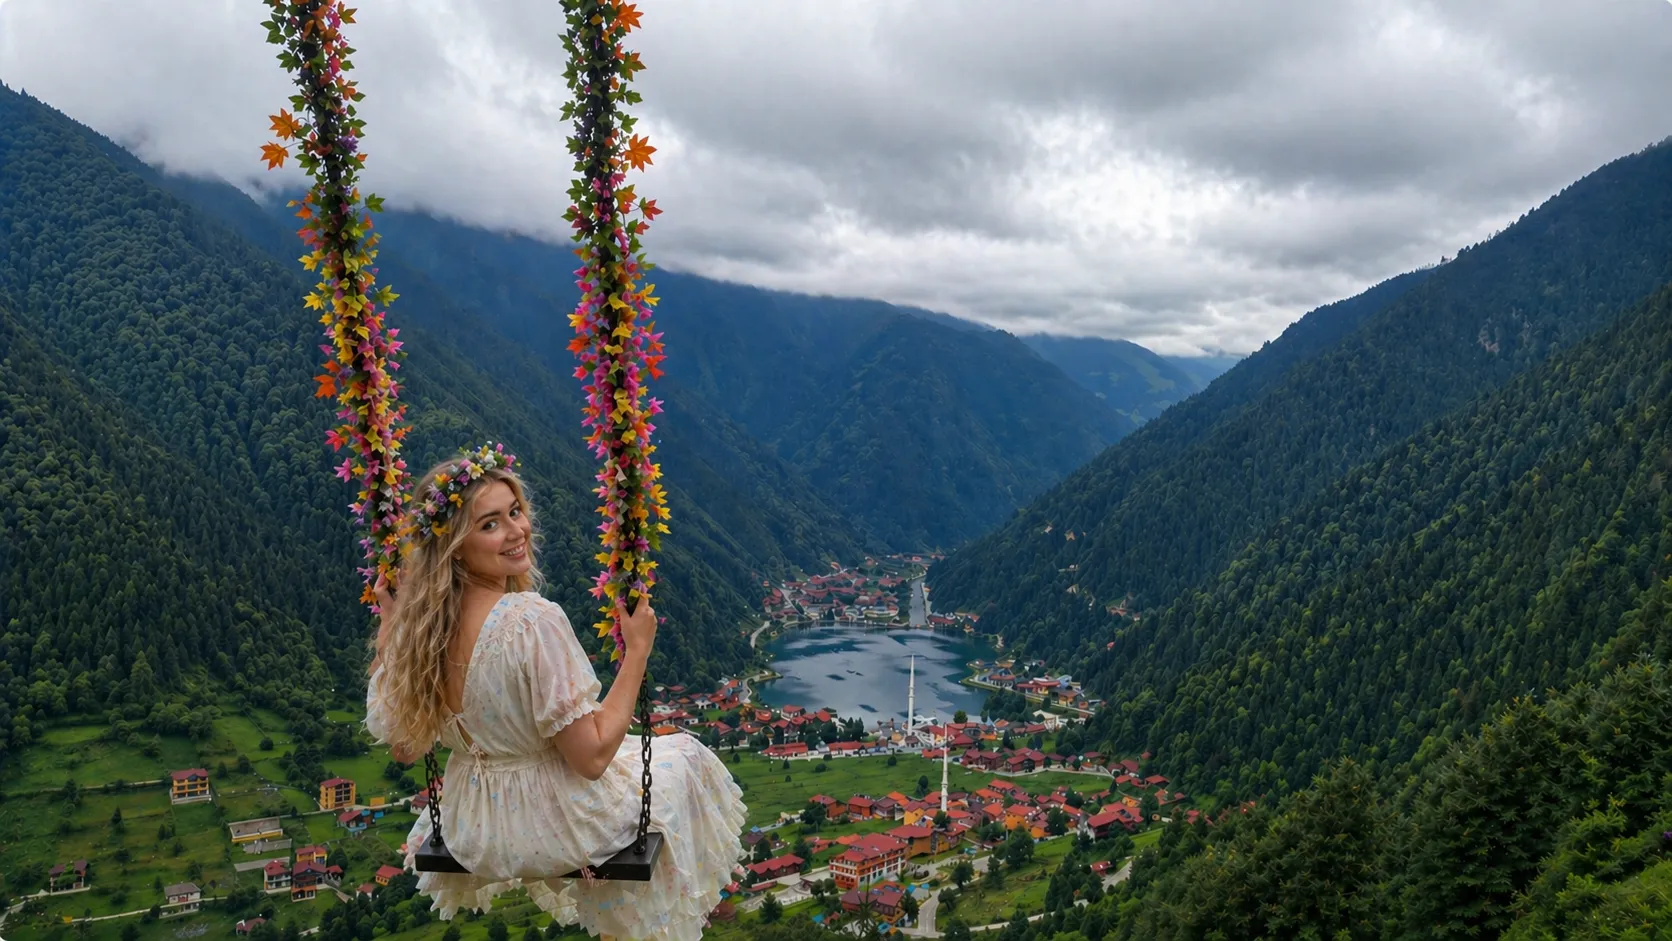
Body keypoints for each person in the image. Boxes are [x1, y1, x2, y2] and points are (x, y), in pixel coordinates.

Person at [364, 443, 746, 941]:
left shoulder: (421, 629)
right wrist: (636, 654)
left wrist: (390, 624)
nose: (516, 530)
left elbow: (404, 747)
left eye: (515, 512)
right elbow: (589, 760)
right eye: (490, 523)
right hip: (550, 823)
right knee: (686, 758)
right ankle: (666, 918)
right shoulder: (532, 621)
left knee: (653, 755)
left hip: (471, 825)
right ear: (455, 544)